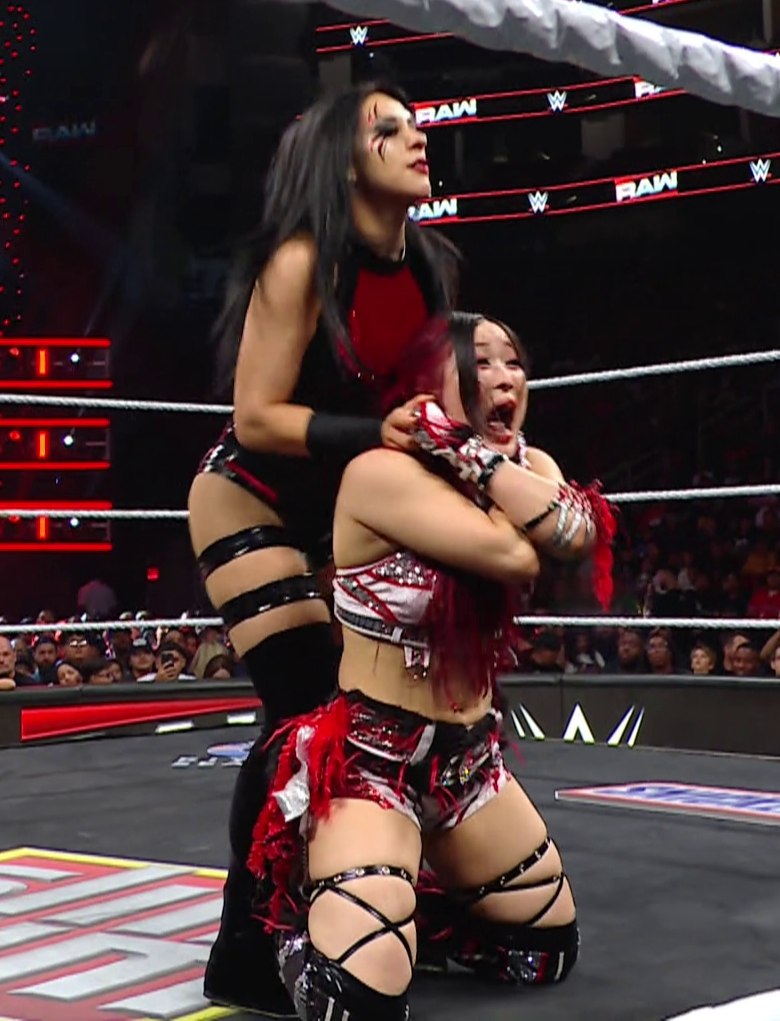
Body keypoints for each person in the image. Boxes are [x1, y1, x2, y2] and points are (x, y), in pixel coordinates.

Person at [250, 313, 611, 1021]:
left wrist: (464, 449)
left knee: (541, 951)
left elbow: (576, 530)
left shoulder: (525, 467)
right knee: (362, 999)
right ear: (426, 386)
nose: (505, 378)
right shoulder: (380, 474)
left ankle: (414, 897)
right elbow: (515, 554)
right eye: (481, 362)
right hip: (372, 760)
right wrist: (470, 459)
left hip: (467, 762)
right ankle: (297, 928)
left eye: (514, 362)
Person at [187, 81, 458, 1015]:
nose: (418, 138)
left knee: (369, 715)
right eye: (391, 129)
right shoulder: (302, 262)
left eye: (416, 123)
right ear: (344, 160)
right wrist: (380, 436)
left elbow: (426, 406)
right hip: (251, 499)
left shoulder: (427, 266)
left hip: (347, 515)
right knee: (301, 712)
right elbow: (257, 417)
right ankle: (245, 944)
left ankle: (357, 907)